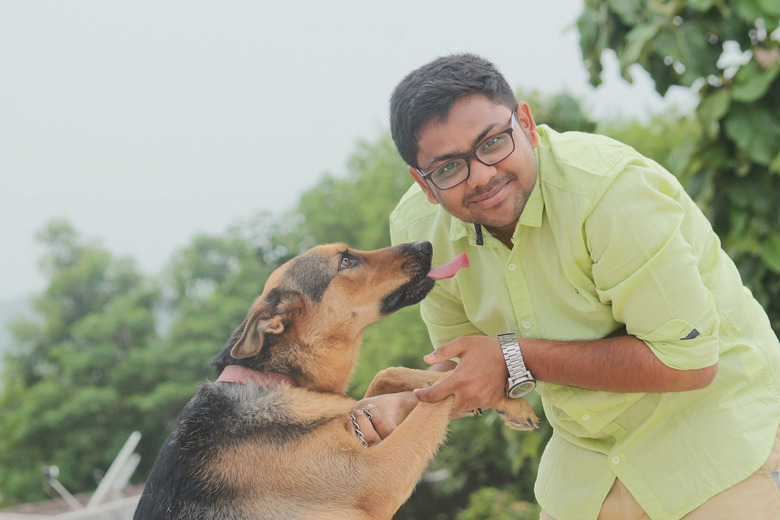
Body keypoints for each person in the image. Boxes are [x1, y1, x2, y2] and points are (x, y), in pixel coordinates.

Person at [350, 54, 780, 520]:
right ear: (424, 183)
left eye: (493, 143)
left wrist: (517, 355)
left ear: (527, 124)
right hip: (587, 470)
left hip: (722, 445)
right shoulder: (420, 231)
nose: (482, 175)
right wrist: (408, 407)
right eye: (449, 169)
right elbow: (475, 370)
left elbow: (688, 363)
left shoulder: (609, 193)